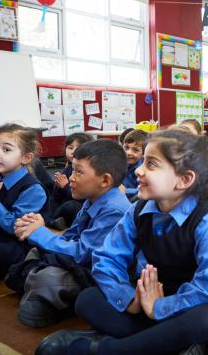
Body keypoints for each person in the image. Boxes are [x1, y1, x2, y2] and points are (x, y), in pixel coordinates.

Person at [36, 129, 208, 354]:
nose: (138, 170)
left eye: (152, 164)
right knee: (87, 299)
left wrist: (159, 307)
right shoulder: (137, 210)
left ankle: (109, 348)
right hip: (149, 292)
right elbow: (107, 259)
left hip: (194, 300)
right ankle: (168, 342)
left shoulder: (206, 218)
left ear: (184, 179)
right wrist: (129, 300)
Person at [9, 139, 130, 328]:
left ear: (105, 180)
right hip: (82, 260)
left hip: (99, 271)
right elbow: (69, 236)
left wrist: (40, 233)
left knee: (48, 278)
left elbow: (83, 254)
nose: (71, 178)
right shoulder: (92, 200)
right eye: (72, 170)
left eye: (79, 172)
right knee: (35, 253)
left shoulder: (114, 210)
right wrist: (38, 230)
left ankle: (50, 301)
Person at [0, 124, 51, 279]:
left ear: (26, 157)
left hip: (20, 247)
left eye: (6, 150)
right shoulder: (0, 176)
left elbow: (16, 228)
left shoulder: (33, 189)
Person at [48, 132, 94, 229]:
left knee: (72, 206)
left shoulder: (89, 171)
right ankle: (53, 220)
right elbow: (57, 197)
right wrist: (58, 186)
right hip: (65, 205)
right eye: (70, 148)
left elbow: (84, 197)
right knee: (50, 200)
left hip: (81, 207)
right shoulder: (68, 169)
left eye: (79, 148)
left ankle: (53, 222)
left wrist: (65, 187)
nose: (73, 151)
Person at [122, 129, 148, 199]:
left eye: (135, 150)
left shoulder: (145, 169)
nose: (128, 153)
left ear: (144, 153)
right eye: (126, 148)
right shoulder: (121, 164)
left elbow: (143, 190)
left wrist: (125, 191)